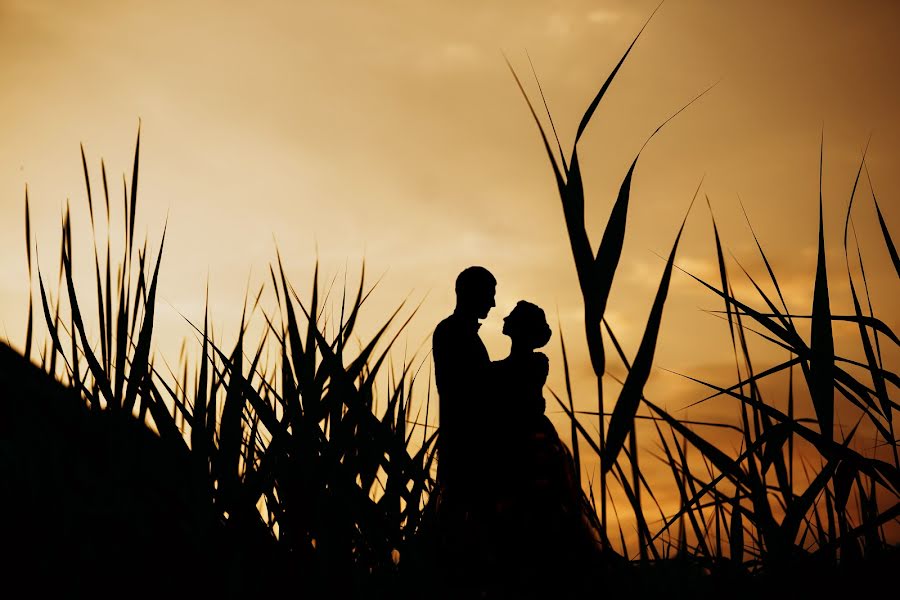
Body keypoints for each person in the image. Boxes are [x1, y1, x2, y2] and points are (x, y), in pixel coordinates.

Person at [490, 300, 604, 598]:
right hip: (515, 436)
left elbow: (512, 390)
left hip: (526, 437)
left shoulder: (535, 363)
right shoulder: (503, 368)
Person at [429, 266, 498, 597]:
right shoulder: (450, 332)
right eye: (490, 293)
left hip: (473, 447)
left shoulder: (463, 334)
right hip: (464, 447)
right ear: (471, 293)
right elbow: (461, 386)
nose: (494, 303)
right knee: (463, 525)